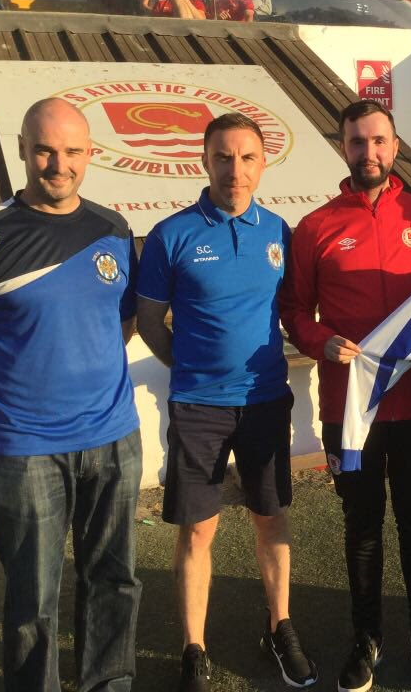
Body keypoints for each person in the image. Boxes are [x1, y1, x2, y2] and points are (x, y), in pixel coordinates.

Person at [0, 98, 143, 691]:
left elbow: (122, 320)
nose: (59, 163)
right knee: (34, 598)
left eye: (73, 152)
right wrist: (10, 399)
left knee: (115, 579)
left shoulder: (112, 228)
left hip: (113, 439)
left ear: (90, 155)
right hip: (23, 449)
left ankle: (110, 684)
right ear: (24, 148)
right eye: (46, 150)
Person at [136, 112, 318, 691]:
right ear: (204, 160)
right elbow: (148, 323)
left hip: (266, 400)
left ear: (262, 164)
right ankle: (195, 647)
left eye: (246, 158)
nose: (234, 170)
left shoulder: (278, 232)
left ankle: (280, 627)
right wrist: (192, 368)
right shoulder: (172, 234)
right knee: (196, 531)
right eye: (222, 157)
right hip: (198, 407)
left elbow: (291, 309)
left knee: (271, 518)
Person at [279, 100, 411, 692]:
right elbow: (294, 310)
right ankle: (366, 638)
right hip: (350, 408)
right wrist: (321, 340)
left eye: (378, 141)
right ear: (344, 148)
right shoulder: (316, 227)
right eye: (358, 142)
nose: (369, 152)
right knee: (361, 525)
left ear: (395, 145)